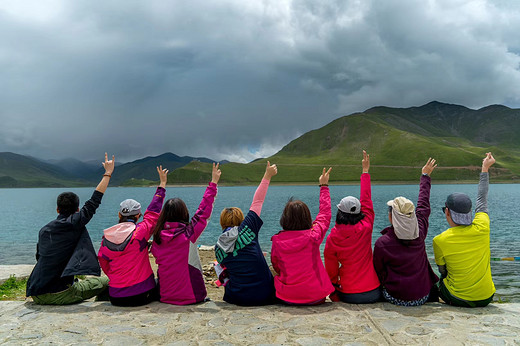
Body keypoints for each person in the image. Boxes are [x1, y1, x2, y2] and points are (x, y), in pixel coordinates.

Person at [26, 153, 115, 305]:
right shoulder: (74, 222)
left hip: (36, 291)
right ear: (77, 209)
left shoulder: (44, 230)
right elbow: (94, 201)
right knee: (108, 280)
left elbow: (39, 257)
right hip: (58, 293)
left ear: (57, 210)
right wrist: (108, 173)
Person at [98, 165, 168, 307]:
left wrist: (115, 278)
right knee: (160, 282)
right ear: (138, 216)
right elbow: (153, 212)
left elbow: (103, 263)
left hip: (116, 296)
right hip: (142, 295)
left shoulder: (106, 238)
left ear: (119, 215)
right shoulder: (141, 231)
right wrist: (162, 184)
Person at [151, 163, 221, 305]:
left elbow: (152, 212)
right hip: (193, 297)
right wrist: (213, 183)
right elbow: (203, 211)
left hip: (165, 296)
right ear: (184, 214)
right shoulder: (189, 234)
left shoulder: (157, 237)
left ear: (164, 215)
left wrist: (162, 185)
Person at [373, 158, 439, 306]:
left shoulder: (382, 243)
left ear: (392, 217)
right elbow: (423, 204)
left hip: (394, 297)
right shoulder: (420, 231)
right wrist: (425, 176)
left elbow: (379, 272)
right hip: (422, 296)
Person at [433, 152, 496, 308]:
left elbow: (443, 271)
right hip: (486, 297)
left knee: (437, 282)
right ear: (469, 212)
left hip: (457, 298)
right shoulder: (483, 226)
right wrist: (485, 168)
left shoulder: (440, 240)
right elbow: (482, 198)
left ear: (447, 212)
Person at [214, 161, 278, 306]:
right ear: (241, 219)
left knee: (220, 266)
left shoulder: (218, 247)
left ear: (222, 223)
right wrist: (267, 175)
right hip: (266, 294)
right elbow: (258, 201)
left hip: (237, 297)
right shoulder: (247, 228)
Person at [324, 150, 381, 304]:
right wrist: (365, 171)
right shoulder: (367, 225)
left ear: (339, 212)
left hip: (347, 293)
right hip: (373, 291)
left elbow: (331, 270)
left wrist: (334, 294)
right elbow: (366, 199)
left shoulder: (332, 237)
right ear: (359, 210)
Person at [271, 167, 334, 305]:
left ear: (285, 219)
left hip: (286, 297)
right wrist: (324, 186)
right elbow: (325, 215)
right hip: (316, 296)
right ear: (307, 218)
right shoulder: (314, 236)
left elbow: (276, 266)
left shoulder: (277, 241)